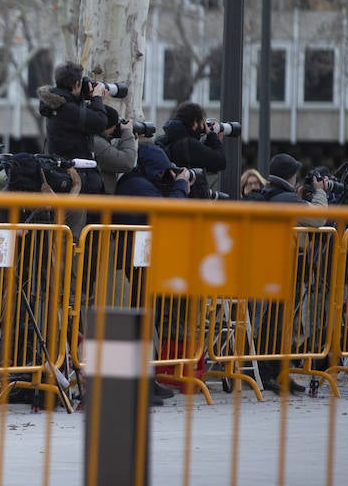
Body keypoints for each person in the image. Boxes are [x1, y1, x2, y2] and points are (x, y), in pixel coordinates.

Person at [114, 143, 193, 406]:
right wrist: (180, 185)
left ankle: (147, 380)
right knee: (140, 321)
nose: (164, 176)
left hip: (139, 261)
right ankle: (139, 384)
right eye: (162, 172)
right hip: (135, 262)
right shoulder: (137, 185)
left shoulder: (140, 182)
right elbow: (169, 212)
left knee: (146, 320)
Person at [247, 153, 328, 395]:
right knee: (276, 324)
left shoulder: (267, 195)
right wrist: (320, 192)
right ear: (291, 176)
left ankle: (276, 373)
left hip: (264, 267)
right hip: (280, 269)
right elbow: (318, 217)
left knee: (274, 323)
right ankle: (268, 373)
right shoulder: (285, 198)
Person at [37, 62, 109, 198]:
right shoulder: (67, 109)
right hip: (76, 182)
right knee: (78, 220)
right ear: (77, 84)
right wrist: (97, 98)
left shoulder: (56, 105)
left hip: (63, 176)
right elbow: (100, 123)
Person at [154, 101, 226, 198]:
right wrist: (213, 136)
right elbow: (220, 161)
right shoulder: (189, 145)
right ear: (195, 123)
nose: (203, 127)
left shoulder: (166, 139)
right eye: (202, 123)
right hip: (190, 202)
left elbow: (202, 157)